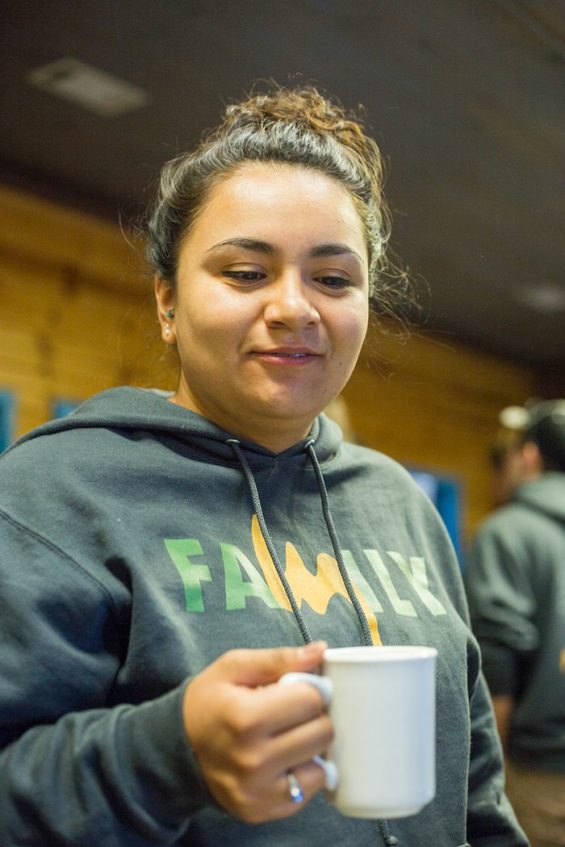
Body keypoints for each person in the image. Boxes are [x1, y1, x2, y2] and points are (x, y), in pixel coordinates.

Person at [0, 85, 526, 846]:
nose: (294, 307)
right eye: (246, 272)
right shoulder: (53, 492)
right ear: (167, 303)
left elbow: (473, 783)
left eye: (333, 278)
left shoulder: (398, 503)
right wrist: (166, 753)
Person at [466, 399, 565, 847]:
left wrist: (494, 766)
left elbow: (499, 654)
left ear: (528, 455)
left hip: (538, 774)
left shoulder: (507, 531)